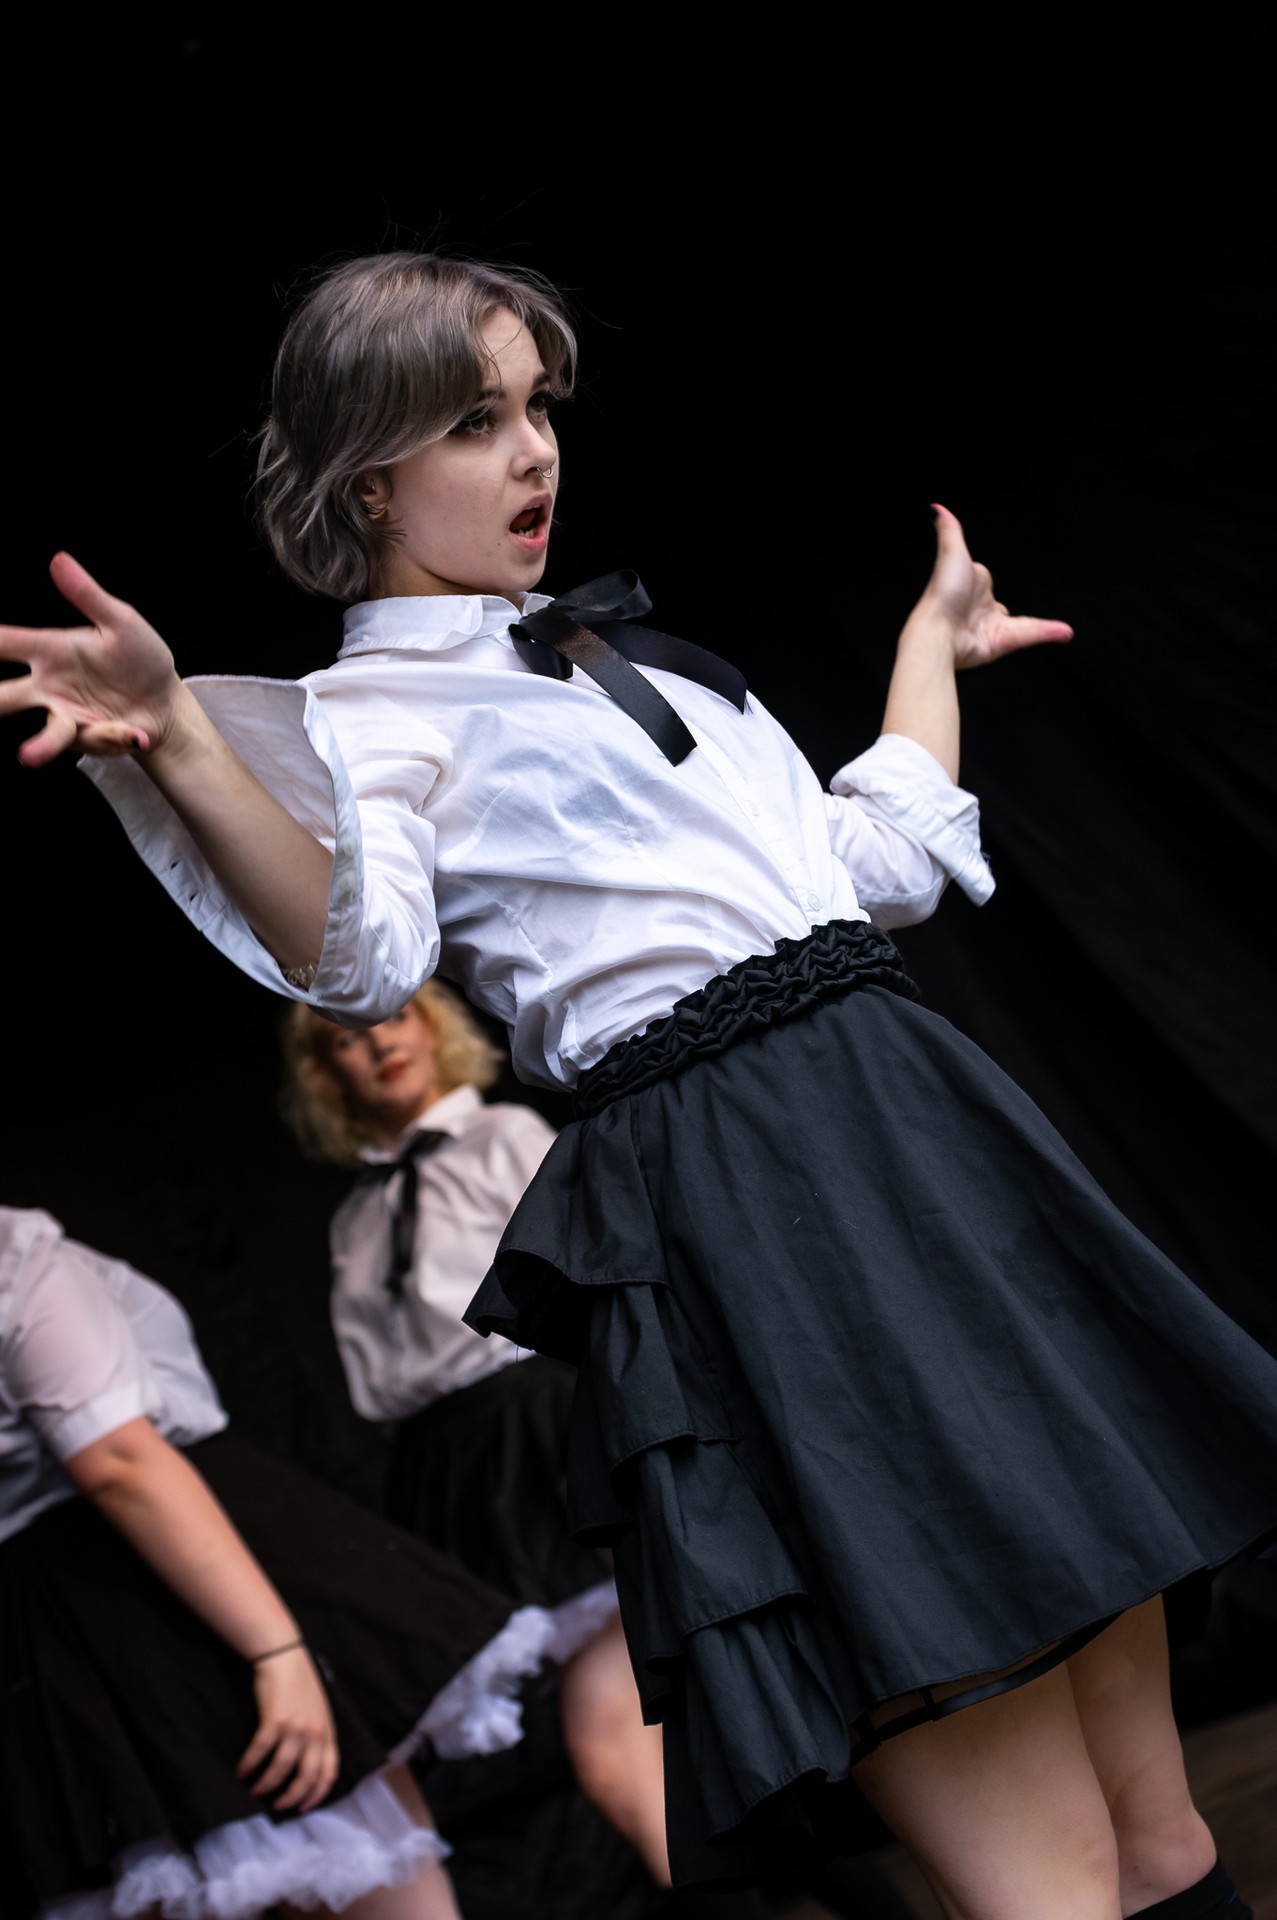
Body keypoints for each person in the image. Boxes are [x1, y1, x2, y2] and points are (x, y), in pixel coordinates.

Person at [4, 249, 1277, 1920]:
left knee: (1158, 1834)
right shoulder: (367, 716)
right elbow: (361, 955)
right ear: (366, 478)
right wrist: (181, 738)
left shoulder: (644, 661)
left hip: (916, 1142)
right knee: (1050, 1875)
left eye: (538, 406)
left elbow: (873, 863)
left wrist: (927, 646)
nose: (533, 448)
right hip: (758, 1199)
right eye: (474, 420)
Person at [0, 1203, 559, 1920]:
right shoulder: (16, 1256)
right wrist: (278, 1650)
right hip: (174, 1606)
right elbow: (118, 1460)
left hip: (57, 1646)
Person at [281, 980, 670, 1887]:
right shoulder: (354, 1221)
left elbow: (594, 1282)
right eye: (348, 1039)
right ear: (325, 1074)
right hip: (454, 1480)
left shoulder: (503, 1136)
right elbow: (378, 1387)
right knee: (628, 1749)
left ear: (432, 1029)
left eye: (396, 1017)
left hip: (546, 1434)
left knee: (633, 1741)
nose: (381, 1042)